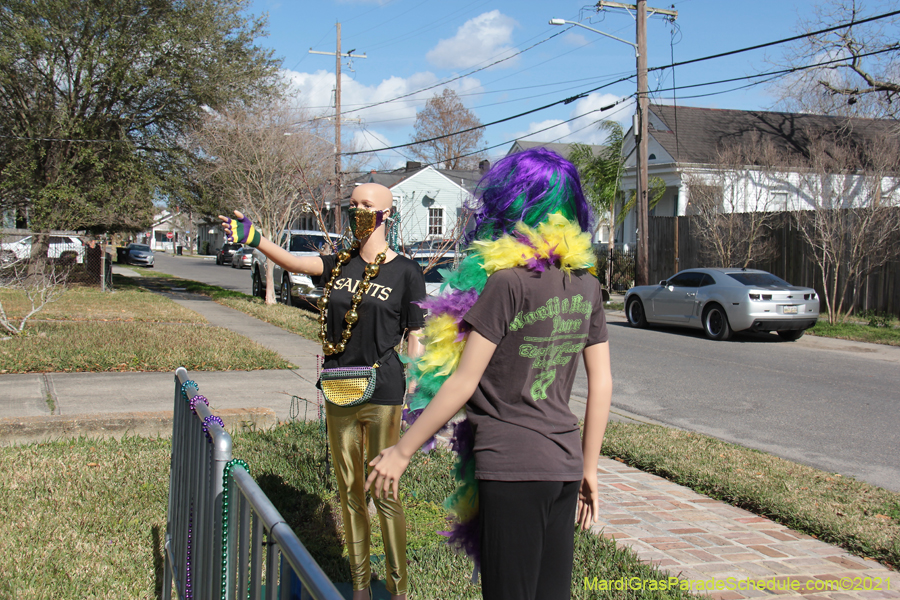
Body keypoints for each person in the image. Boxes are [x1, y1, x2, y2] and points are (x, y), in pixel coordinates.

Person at [364, 148, 613, 600]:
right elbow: (603, 384)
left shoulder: (507, 283)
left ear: (513, 201)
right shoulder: (588, 285)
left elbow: (464, 381)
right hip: (565, 465)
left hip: (512, 466)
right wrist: (590, 469)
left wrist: (402, 450)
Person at [220, 183, 425, 600]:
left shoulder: (407, 271)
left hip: (384, 390)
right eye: (353, 205)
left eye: (367, 205)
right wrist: (256, 239)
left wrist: (414, 379)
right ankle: (363, 588)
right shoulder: (337, 264)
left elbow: (416, 335)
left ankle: (400, 589)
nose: (358, 211)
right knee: (350, 492)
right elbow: (293, 261)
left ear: (387, 213)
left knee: (384, 492)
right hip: (339, 388)